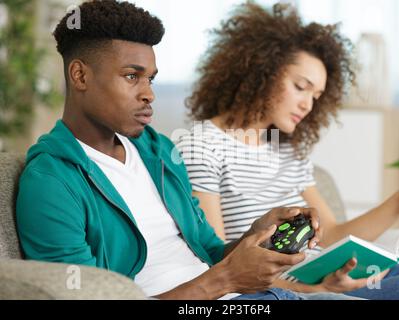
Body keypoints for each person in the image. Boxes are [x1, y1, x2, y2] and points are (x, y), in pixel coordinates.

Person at [15, 0, 359, 300]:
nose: (148, 93)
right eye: (132, 76)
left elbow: (209, 251)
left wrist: (257, 232)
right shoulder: (51, 182)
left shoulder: (160, 153)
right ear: (79, 76)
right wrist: (225, 280)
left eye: (150, 78)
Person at [175, 1, 399, 299]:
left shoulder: (286, 150)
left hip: (322, 277)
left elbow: (331, 235)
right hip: (283, 290)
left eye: (316, 96)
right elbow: (220, 263)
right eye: (300, 86)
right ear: (261, 70)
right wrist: (315, 287)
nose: (308, 105)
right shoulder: (201, 146)